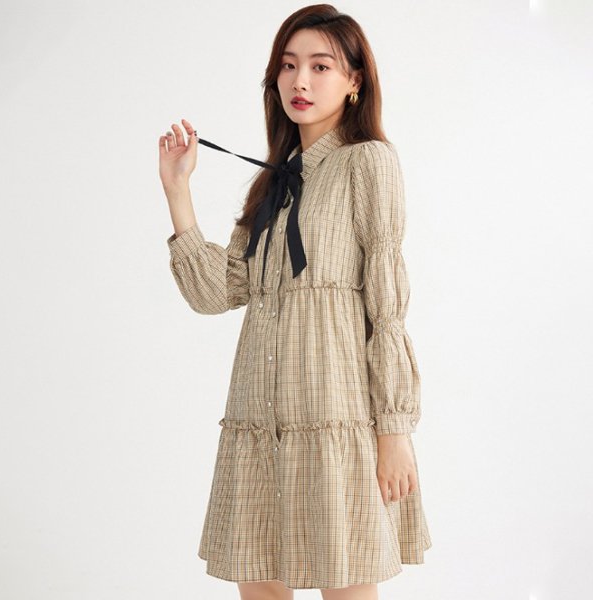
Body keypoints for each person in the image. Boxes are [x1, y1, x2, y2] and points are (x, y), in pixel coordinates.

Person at [158, 5, 431, 600]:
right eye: (288, 65)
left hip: (338, 420)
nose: (299, 81)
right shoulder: (275, 181)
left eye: (320, 66)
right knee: (257, 584)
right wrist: (178, 190)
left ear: (355, 80)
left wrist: (395, 430)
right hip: (259, 421)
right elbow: (218, 292)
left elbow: (387, 304)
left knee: (346, 583)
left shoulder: (368, 162)